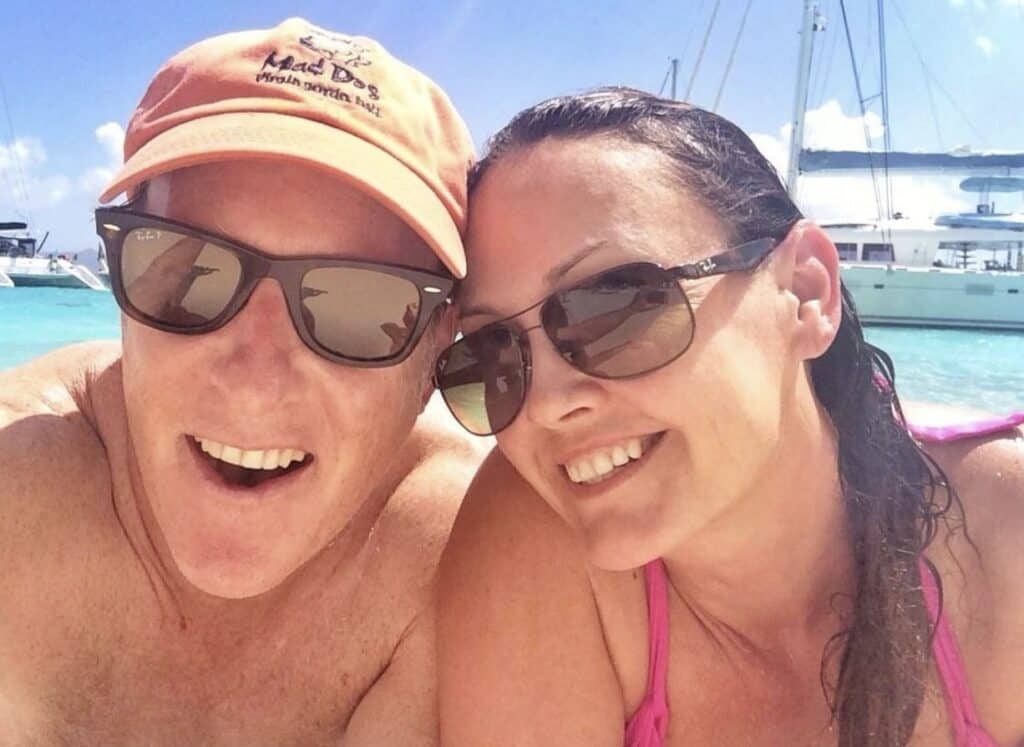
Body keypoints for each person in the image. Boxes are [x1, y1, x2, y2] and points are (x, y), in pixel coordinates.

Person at [435, 88, 1024, 746]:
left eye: (616, 307)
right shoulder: (532, 541)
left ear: (805, 291)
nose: (544, 405)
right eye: (490, 357)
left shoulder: (1007, 539)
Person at [0, 18, 486, 745]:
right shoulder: (16, 489)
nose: (256, 381)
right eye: (188, 272)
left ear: (436, 352)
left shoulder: (458, 558)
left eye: (359, 306)